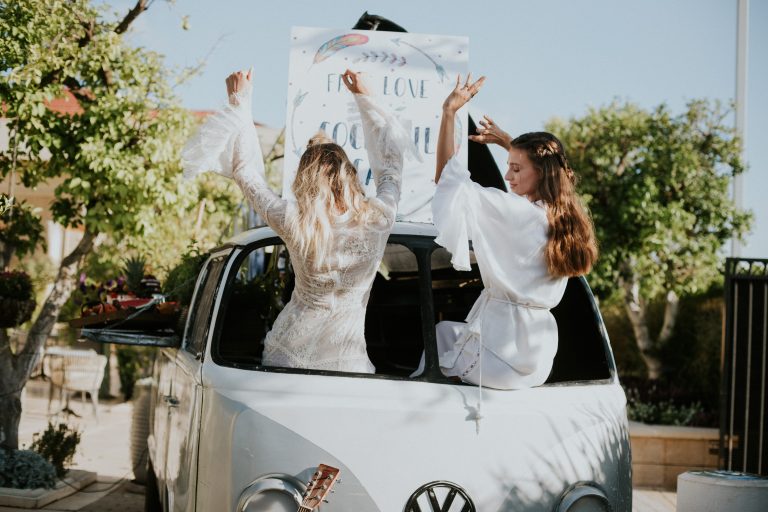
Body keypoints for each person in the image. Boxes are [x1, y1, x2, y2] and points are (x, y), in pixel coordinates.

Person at [181, 68, 418, 373]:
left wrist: (239, 100)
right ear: (350, 175)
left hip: (287, 353)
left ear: (304, 180)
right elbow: (391, 169)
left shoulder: (293, 220)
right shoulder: (378, 219)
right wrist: (365, 96)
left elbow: (245, 172)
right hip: (347, 361)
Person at [413, 74, 598, 393]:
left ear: (541, 172)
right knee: (444, 333)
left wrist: (449, 113)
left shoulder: (519, 213)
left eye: (516, 168)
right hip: (535, 359)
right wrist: (509, 144)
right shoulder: (562, 218)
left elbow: (447, 180)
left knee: (429, 368)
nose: (508, 175)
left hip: (502, 355)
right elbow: (546, 166)